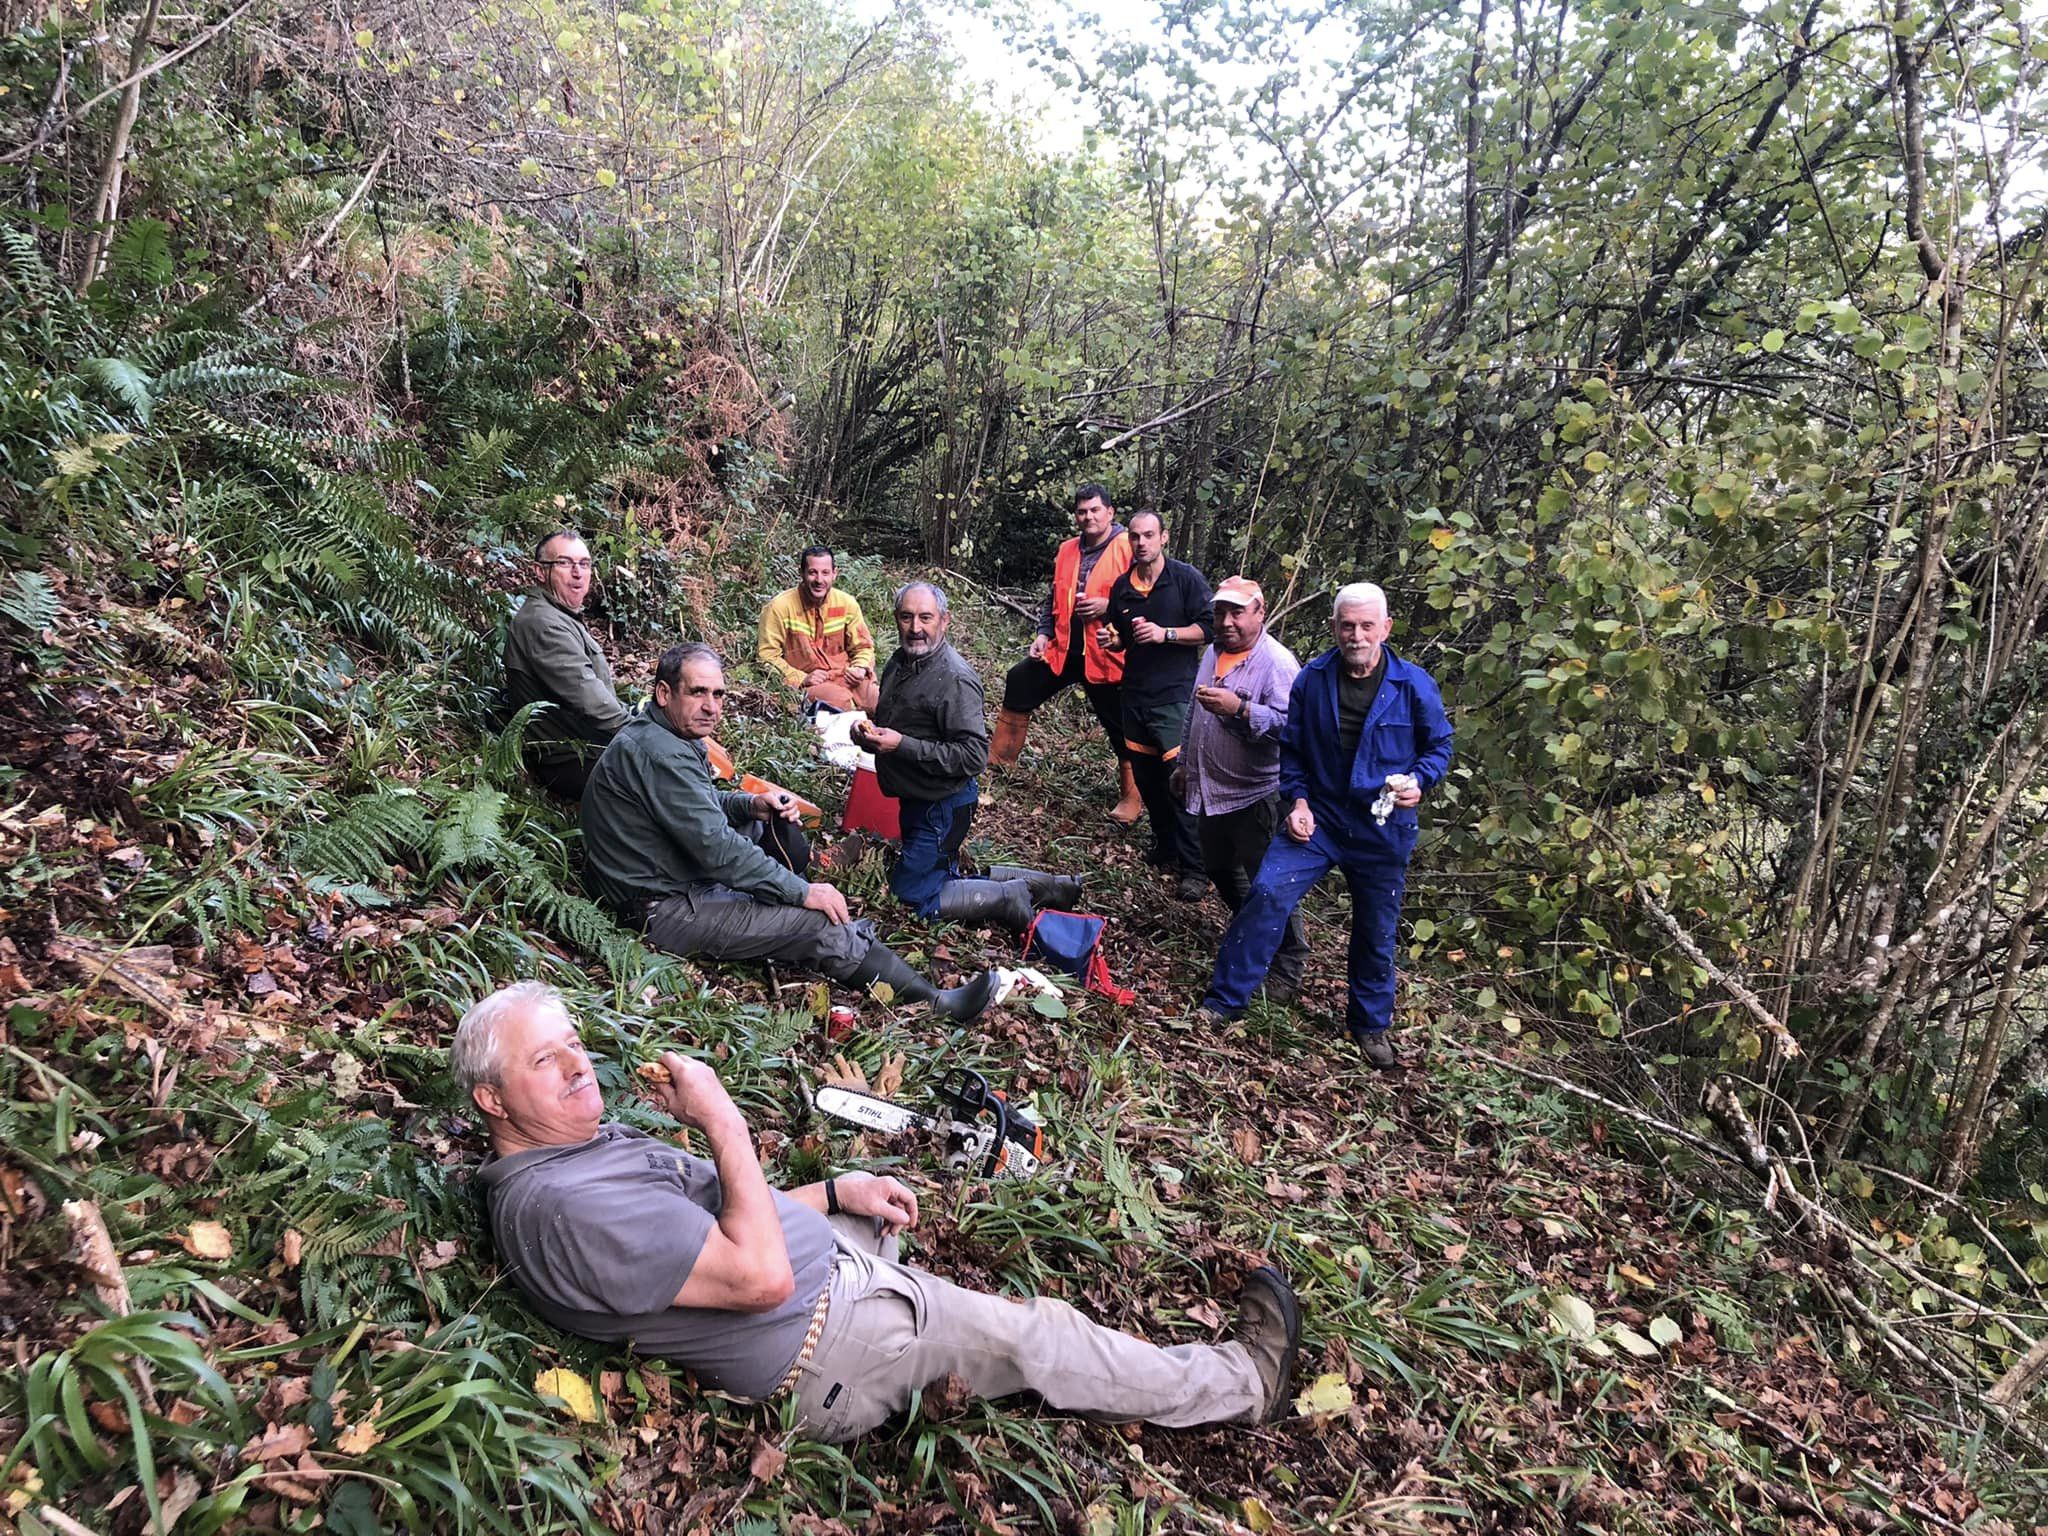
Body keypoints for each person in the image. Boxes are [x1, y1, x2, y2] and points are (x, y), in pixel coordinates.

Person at [456, 980, 1304, 1442]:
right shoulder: (566, 1206)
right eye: (545, 1059)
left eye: (573, 1042)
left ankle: (915, 1290)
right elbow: (755, 1276)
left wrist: (832, 1195)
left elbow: (706, 1239)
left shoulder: (573, 1153)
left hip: (818, 1278)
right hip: (827, 1339)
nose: (578, 1064)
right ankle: (1242, 1385)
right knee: (1041, 1333)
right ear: (493, 1099)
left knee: (887, 1201)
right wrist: (722, 1118)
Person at [582, 642, 994, 1019]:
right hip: (662, 906)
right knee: (818, 924)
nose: (711, 706)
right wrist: (802, 893)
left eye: (718, 694)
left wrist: (749, 804)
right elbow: (717, 849)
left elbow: (693, 806)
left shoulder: (663, 732)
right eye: (697, 692)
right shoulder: (661, 752)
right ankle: (933, 1002)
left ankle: (803, 909)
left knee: (760, 820)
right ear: (664, 694)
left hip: (657, 875)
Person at [1199, 583, 1453, 1068]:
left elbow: (1438, 746)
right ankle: (1225, 1000)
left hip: (1383, 826)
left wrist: (1421, 781)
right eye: (1346, 625)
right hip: (1319, 818)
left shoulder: (1413, 684)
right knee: (1268, 892)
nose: (1356, 635)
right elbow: (1292, 750)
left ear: (1385, 628)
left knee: (1376, 929)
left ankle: (1369, 1025)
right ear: (1334, 627)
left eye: (1365, 626)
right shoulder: (1314, 679)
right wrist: (1296, 801)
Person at [852, 582, 1082, 932]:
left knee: (913, 894)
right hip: (915, 796)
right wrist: (869, 727)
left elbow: (974, 756)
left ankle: (1010, 896)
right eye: (907, 617)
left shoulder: (955, 679)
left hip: (942, 805)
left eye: (925, 617)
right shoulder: (902, 660)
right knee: (937, 871)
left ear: (944, 621)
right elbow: (905, 722)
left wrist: (901, 745)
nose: (915, 628)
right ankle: (1052, 886)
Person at [1172, 578, 1309, 1000]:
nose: (1226, 622)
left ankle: (1288, 963)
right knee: (1216, 867)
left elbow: (1295, 730)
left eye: (1237, 613)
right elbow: (1195, 712)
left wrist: (1243, 710)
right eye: (1220, 613)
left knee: (1270, 884)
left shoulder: (1278, 663)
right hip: (1211, 789)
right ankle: (1251, 929)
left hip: (1257, 795)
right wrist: (1182, 765)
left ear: (1259, 613)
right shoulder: (1213, 652)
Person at [989, 485, 1143, 825]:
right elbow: (1053, 597)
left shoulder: (1129, 548)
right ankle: (1000, 762)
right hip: (1064, 651)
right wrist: (1044, 633)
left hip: (1106, 656)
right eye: (1082, 511)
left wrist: (1109, 606)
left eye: (1095, 510)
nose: (1088, 517)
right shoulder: (1068, 549)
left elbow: (1147, 600)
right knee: (1019, 681)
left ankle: (1132, 797)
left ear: (1110, 513)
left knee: (1123, 725)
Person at [1103, 511, 1213, 901]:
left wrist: (1165, 633)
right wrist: (1111, 640)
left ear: (1163, 537)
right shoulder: (1122, 586)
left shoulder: (1185, 579)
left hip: (1175, 696)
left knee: (1180, 782)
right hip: (1134, 694)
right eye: (1134, 537)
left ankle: (1195, 868)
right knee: (1148, 781)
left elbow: (1208, 628)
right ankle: (1166, 846)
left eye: (1149, 535)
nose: (1141, 543)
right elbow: (1119, 634)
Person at [502, 530, 630, 800]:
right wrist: (644, 732)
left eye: (584, 564)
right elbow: (589, 699)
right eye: (564, 563)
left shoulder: (560, 616)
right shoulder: (543, 623)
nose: (577, 572)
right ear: (540, 572)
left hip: (590, 749)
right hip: (571, 759)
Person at [757, 547, 880, 713]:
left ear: (834, 574)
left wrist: (860, 668)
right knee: (840, 702)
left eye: (825, 573)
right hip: (810, 683)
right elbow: (767, 656)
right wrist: (800, 678)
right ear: (801, 573)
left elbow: (863, 647)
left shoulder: (847, 603)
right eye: (813, 572)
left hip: (846, 676)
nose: (819, 579)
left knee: (879, 701)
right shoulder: (779, 607)